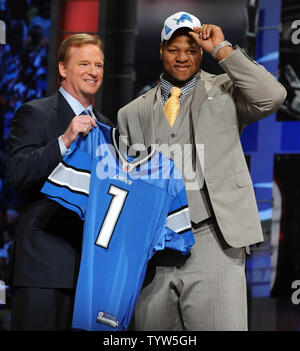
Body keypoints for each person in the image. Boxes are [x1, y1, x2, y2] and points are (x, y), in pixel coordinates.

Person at [117, 11, 287, 330]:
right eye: (174, 49)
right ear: (161, 51)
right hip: (154, 253)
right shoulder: (131, 113)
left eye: (191, 50)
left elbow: (273, 96)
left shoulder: (227, 91)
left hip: (215, 244)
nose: (182, 57)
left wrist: (220, 47)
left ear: (200, 53)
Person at [6, 33, 114, 331]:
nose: (93, 71)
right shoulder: (36, 113)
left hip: (91, 276)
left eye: (99, 65)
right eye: (84, 64)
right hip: (43, 270)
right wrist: (65, 140)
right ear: (63, 69)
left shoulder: (108, 128)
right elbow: (17, 173)